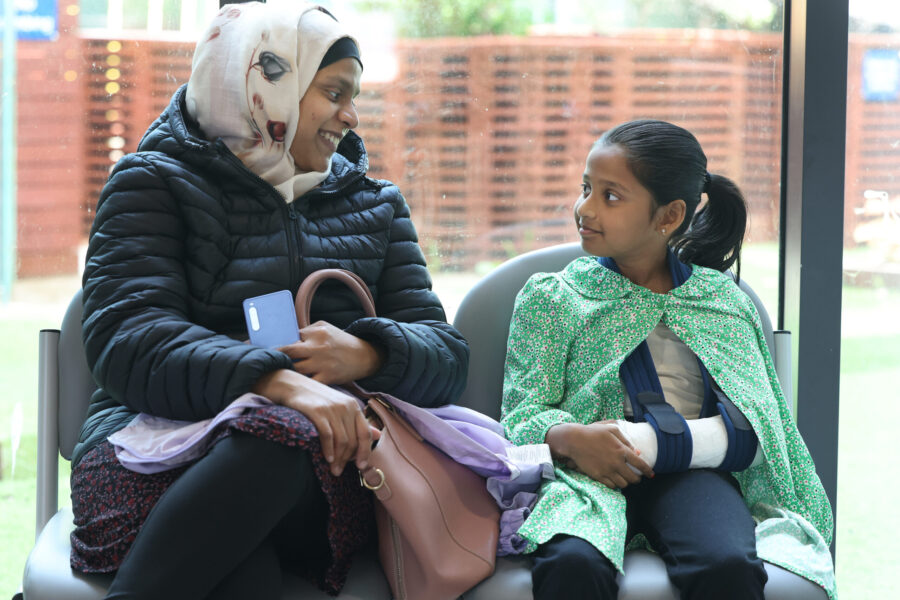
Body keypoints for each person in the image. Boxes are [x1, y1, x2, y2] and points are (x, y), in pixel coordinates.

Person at [69, 2, 469, 599]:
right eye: (333, 93)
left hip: (324, 470)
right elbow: (127, 342)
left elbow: (448, 358)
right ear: (265, 84)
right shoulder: (151, 181)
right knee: (242, 567)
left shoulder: (377, 205)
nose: (351, 116)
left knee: (276, 446)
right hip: (153, 454)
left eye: (354, 97)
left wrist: (367, 354)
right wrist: (277, 383)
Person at [501, 119, 836, 599]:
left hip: (694, 477)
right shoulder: (554, 298)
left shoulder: (722, 301)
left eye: (610, 196)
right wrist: (569, 438)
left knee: (727, 566)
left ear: (669, 215)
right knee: (572, 563)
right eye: (586, 188)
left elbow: (762, 416)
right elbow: (519, 415)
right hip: (585, 476)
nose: (585, 208)